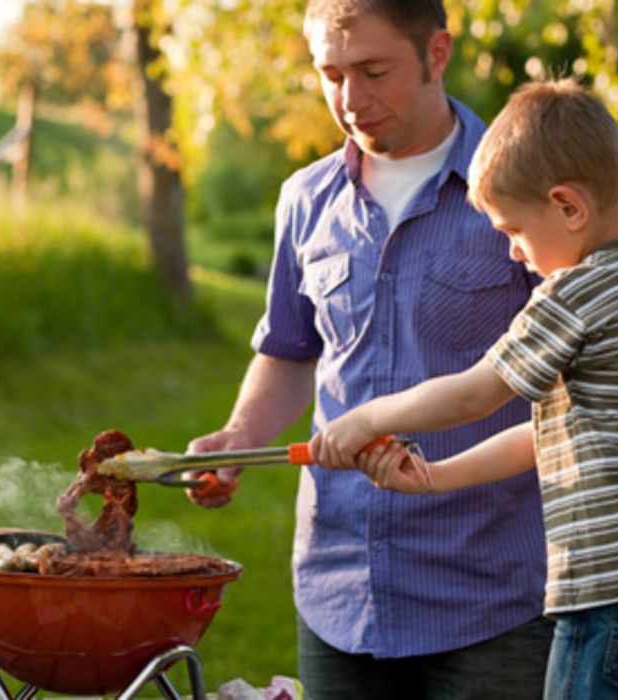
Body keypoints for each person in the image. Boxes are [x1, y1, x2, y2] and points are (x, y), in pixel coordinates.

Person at [311, 78, 618, 697]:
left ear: (569, 208)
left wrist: (364, 418)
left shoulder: (575, 293)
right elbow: (548, 432)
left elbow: (475, 393)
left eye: (515, 231)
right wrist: (438, 476)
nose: (516, 254)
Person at [184, 1, 552, 698]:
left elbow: (574, 374)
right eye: (331, 74)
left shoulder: (521, 190)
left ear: (436, 53)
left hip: (491, 593)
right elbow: (291, 349)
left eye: (373, 71)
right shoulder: (305, 198)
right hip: (339, 589)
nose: (350, 99)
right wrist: (239, 436)